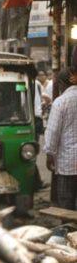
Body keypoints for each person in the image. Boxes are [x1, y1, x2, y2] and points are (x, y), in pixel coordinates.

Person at [44, 78, 77, 210]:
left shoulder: (60, 102)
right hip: (68, 162)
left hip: (67, 164)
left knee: (66, 204)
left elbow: (53, 131)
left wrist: (49, 154)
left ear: (62, 84)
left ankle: (68, 223)